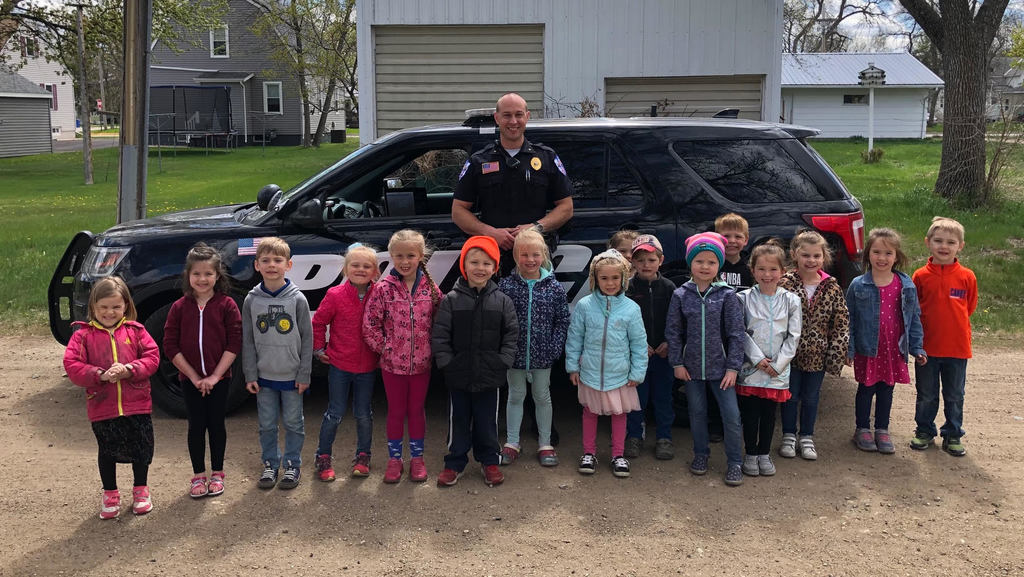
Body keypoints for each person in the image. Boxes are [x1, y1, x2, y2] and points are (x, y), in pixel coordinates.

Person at [63, 277, 160, 519]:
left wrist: (130, 369)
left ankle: (141, 490)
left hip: (136, 404)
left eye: (116, 307)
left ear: (126, 305)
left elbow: (152, 357)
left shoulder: (136, 331)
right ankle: (110, 493)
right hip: (102, 404)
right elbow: (72, 365)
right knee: (107, 451)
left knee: (141, 448)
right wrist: (99, 375)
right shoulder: (82, 336)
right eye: (103, 307)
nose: (109, 312)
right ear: (93, 307)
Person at [452, 92, 574, 275]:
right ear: (497, 118)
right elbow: (458, 210)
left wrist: (535, 228)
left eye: (518, 114)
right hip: (492, 260)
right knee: (494, 304)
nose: (513, 121)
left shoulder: (546, 157)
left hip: (534, 260)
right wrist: (490, 232)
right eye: (507, 115)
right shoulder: (479, 160)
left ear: (527, 116)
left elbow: (566, 207)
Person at [433, 236, 519, 487]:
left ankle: (490, 461)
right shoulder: (451, 300)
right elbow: (440, 335)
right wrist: (448, 364)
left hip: (490, 375)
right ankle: (454, 462)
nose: (480, 268)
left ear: (494, 268)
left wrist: (503, 361)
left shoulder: (502, 300)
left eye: (486, 263)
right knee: (458, 421)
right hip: (458, 374)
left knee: (487, 422)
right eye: (474, 262)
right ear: (464, 265)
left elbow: (511, 334)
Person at [665, 232, 746, 487]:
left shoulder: (727, 295)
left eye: (711, 262)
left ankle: (734, 462)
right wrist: (677, 363)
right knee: (697, 413)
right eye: (699, 261)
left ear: (718, 265)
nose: (705, 267)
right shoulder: (680, 295)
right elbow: (673, 332)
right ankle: (701, 455)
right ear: (690, 263)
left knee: (731, 416)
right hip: (691, 370)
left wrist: (733, 367)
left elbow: (736, 333)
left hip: (722, 370)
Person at [163, 243, 242, 499]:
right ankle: (198, 475)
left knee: (216, 425)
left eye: (208, 274)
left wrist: (216, 376)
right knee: (196, 426)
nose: (202, 279)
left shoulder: (227, 305)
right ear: (188, 275)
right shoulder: (179, 307)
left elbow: (234, 343)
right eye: (196, 274)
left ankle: (217, 473)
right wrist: (196, 377)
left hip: (220, 379)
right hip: (191, 380)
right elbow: (170, 345)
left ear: (217, 276)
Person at [363, 229, 443, 483]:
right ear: (391, 256)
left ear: (421, 256)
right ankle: (394, 459)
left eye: (410, 255)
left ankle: (417, 459)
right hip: (391, 366)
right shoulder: (383, 289)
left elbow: (441, 321)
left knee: (417, 410)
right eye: (399, 256)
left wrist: (432, 347)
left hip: (422, 365)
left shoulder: (430, 288)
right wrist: (386, 348)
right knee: (396, 411)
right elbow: (370, 324)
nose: (405, 261)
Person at [565, 250, 648, 478]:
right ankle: (589, 453)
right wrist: (573, 366)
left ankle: (618, 455)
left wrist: (637, 372)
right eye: (604, 278)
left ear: (623, 278)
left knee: (619, 414)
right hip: (590, 371)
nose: (610, 283)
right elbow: (575, 337)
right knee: (590, 412)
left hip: (619, 374)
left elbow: (639, 343)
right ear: (594, 279)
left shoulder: (631, 309)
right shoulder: (584, 305)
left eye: (615, 278)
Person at [847, 228, 927, 455]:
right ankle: (862, 429)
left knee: (886, 390)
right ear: (868, 255)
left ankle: (882, 429)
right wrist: (850, 349)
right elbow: (848, 319)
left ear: (897, 256)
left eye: (888, 253)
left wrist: (917, 347)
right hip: (867, 349)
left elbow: (914, 319)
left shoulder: (906, 285)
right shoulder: (858, 285)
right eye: (877, 252)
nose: (882, 258)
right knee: (866, 389)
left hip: (892, 350)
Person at [242, 237, 313, 490]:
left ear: (288, 265)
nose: (272, 265)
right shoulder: (252, 300)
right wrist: (250, 374)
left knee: (294, 422)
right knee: (267, 424)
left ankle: (293, 464)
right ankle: (270, 463)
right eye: (266, 260)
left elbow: (307, 340)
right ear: (257, 265)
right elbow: (248, 340)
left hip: (292, 376)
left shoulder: (297, 300)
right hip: (263, 377)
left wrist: (304, 373)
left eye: (277, 260)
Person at [497, 229, 570, 467]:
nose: (530, 260)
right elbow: (500, 321)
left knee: (542, 397)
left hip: (543, 357)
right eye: (524, 254)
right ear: (516, 256)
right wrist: (504, 349)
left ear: (544, 255)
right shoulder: (506, 286)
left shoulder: (554, 288)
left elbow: (562, 321)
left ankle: (545, 443)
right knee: (515, 396)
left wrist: (554, 348)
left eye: (535, 254)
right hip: (514, 357)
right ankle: (512, 442)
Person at [777, 230, 849, 461]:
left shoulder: (831, 286)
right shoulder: (785, 284)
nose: (811, 260)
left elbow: (841, 322)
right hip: (789, 355)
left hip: (817, 355)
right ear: (794, 255)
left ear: (824, 257)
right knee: (789, 395)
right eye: (805, 255)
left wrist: (836, 355)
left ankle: (806, 435)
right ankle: (789, 435)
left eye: (816, 255)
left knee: (811, 396)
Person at [312, 244, 380, 481]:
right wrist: (319, 348)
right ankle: (323, 456)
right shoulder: (335, 295)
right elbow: (318, 322)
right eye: (355, 265)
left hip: (368, 367)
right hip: (340, 365)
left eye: (367, 266)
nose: (360, 269)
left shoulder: (380, 293)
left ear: (375, 271)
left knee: (364, 414)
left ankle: (363, 456)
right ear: (345, 268)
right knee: (335, 412)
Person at [911, 217, 977, 456]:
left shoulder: (967, 276)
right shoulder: (919, 276)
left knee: (955, 395)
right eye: (938, 240)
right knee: (927, 394)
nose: (944, 246)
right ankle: (925, 431)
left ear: (960, 245)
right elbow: (914, 309)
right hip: (927, 348)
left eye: (951, 242)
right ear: (928, 242)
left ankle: (953, 433)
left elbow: (969, 307)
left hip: (957, 348)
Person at [736, 241, 801, 477]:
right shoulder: (743, 299)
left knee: (769, 414)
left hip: (776, 371)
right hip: (751, 369)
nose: (767, 274)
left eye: (773, 269)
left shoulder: (792, 301)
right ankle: (750, 453)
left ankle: (764, 452)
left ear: (783, 271)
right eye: (761, 269)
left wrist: (778, 364)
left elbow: (794, 336)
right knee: (751, 413)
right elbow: (739, 332)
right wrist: (757, 359)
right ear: (752, 270)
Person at [623, 234, 677, 460]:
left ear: (661, 260)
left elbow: (676, 320)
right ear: (633, 262)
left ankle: (664, 437)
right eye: (641, 260)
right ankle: (634, 436)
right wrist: (637, 345)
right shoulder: (627, 287)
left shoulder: (669, 287)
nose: (646, 265)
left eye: (651, 259)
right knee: (637, 398)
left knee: (664, 398)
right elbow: (622, 321)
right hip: (638, 355)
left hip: (663, 354)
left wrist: (669, 342)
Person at [716, 213, 755, 291]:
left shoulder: (751, 267)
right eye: (726, 236)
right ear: (717, 238)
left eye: (738, 237)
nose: (732, 241)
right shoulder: (712, 265)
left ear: (746, 240)